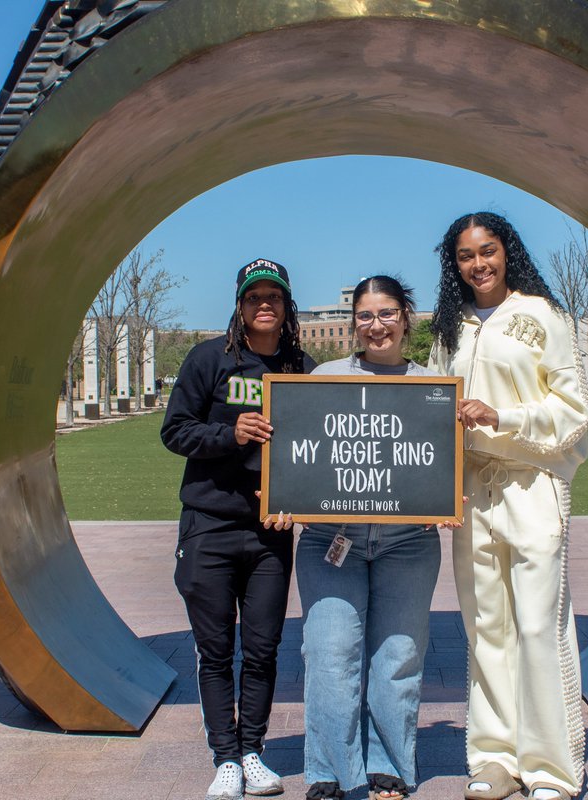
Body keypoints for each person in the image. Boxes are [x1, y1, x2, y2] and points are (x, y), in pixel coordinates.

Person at [428, 213, 588, 800]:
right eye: (466, 256)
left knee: (536, 626)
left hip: (532, 484)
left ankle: (552, 767)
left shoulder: (543, 316)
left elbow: (573, 412)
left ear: (507, 252)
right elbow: (428, 405)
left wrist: (504, 416)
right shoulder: (451, 329)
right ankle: (496, 756)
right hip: (471, 493)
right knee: (486, 628)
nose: (479, 264)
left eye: (488, 251)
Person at [161, 258, 315, 800]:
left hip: (271, 531)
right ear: (240, 305)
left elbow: (317, 447)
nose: (264, 304)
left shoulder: (302, 366)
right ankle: (224, 758)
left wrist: (302, 500)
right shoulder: (210, 359)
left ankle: (252, 751)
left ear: (286, 303)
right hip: (209, 526)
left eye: (274, 295)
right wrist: (232, 435)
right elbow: (174, 431)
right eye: (254, 297)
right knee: (215, 649)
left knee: (263, 648)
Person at [296, 276, 442, 800]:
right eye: (364, 315)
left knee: (397, 657)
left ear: (406, 317)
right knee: (330, 651)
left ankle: (389, 766)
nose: (375, 325)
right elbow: (303, 454)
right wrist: (282, 496)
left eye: (386, 314)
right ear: (353, 320)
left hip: (409, 541)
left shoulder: (433, 385)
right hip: (331, 540)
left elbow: (440, 464)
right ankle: (330, 770)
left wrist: (450, 500)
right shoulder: (324, 377)